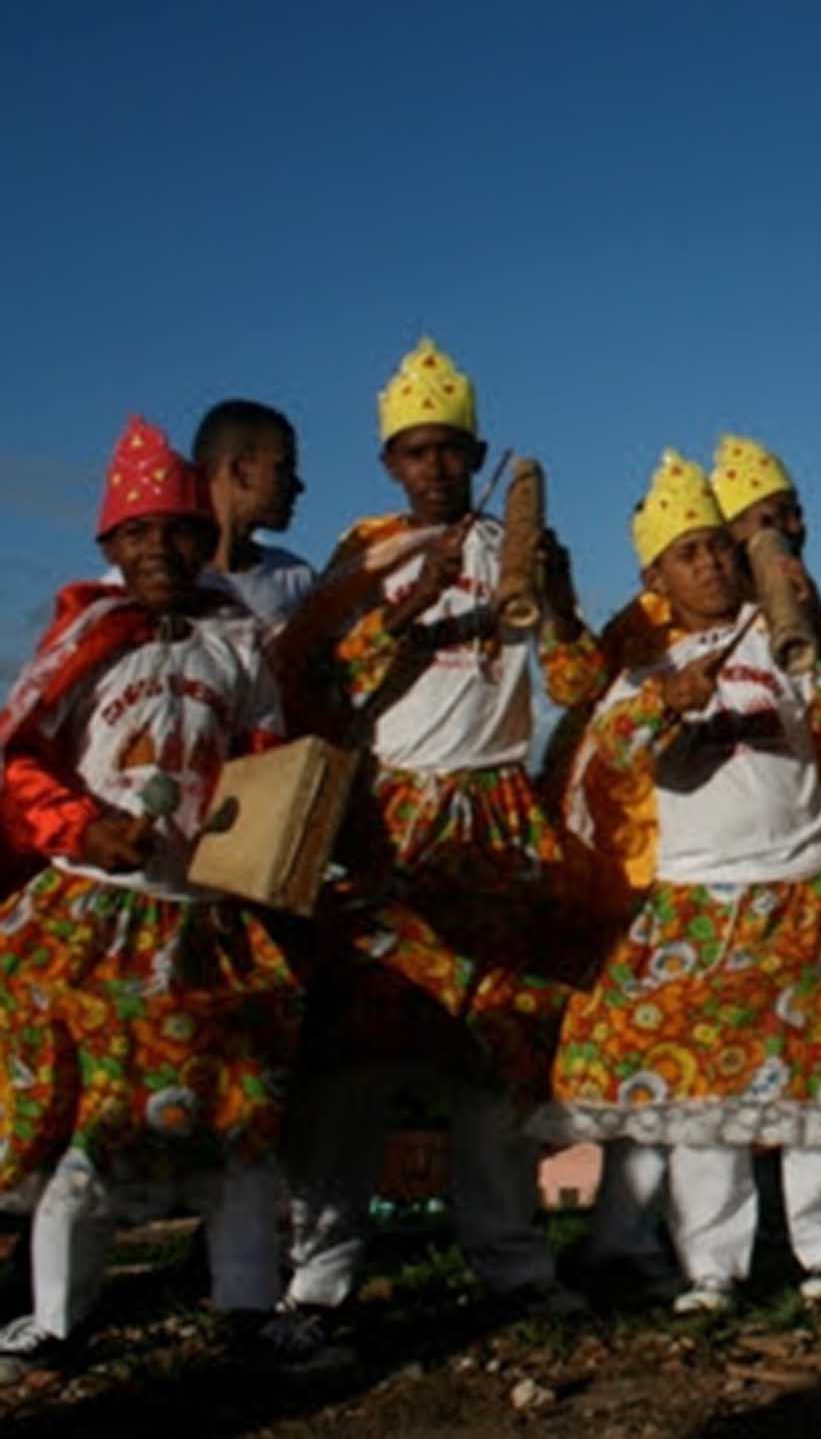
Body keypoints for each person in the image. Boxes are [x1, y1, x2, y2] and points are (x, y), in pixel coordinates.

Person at [278, 336, 604, 1337]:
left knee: (494, 1055)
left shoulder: (519, 542)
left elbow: (577, 684)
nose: (434, 469)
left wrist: (548, 593)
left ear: (477, 453)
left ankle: (512, 1261)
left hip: (496, 815)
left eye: (450, 451)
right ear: (389, 464)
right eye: (415, 452)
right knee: (358, 1059)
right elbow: (320, 683)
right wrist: (411, 607)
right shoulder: (365, 554)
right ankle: (316, 1281)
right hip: (394, 820)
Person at [537, 451, 821, 1313]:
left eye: (718, 548)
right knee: (705, 1097)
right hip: (696, 899)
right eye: (688, 553)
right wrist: (667, 702)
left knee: (814, 1089)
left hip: (800, 882)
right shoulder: (643, 670)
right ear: (655, 574)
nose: (712, 564)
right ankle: (713, 1268)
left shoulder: (779, 637)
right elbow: (612, 758)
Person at [0, 417, 305, 1374]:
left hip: (204, 921)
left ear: (200, 535)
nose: (160, 550)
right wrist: (88, 829)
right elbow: (19, 759)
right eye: (138, 535)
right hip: (95, 921)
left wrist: (251, 849)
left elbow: (263, 762)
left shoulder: (239, 646)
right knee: (90, 1126)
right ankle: (59, 1319)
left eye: (176, 531)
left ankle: (249, 1310)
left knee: (243, 1117)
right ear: (110, 548)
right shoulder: (85, 638)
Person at [190, 399, 313, 624]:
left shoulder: (297, 580)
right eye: (283, 468)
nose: (298, 486)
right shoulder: (162, 584)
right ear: (241, 472)